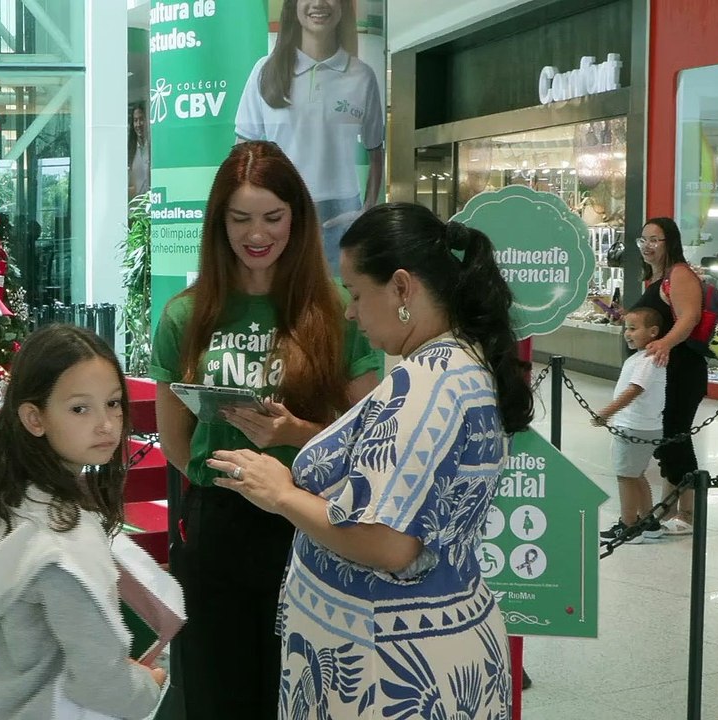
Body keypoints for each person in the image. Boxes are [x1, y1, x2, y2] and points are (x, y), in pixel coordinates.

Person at [206, 202, 533, 717]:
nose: (351, 311)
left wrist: (282, 494)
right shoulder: (457, 363)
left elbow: (389, 543)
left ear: (402, 288)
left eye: (357, 293)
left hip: (392, 670)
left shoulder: (427, 385)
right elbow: (402, 467)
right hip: (419, 645)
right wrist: (298, 432)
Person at [150, 141, 382, 719]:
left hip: (310, 519)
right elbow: (176, 442)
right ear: (219, 222)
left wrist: (296, 434)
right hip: (217, 523)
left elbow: (372, 434)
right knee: (216, 687)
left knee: (301, 687)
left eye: (273, 217)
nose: (258, 234)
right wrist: (224, 481)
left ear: (296, 219)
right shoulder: (186, 315)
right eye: (241, 218)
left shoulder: (334, 309)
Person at [0, 324, 172, 720]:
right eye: (80, 408)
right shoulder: (64, 540)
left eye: (113, 403)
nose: (107, 424)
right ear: (34, 417)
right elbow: (102, 682)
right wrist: (148, 685)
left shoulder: (8, 502)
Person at [235, 0, 385, 272]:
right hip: (277, 209)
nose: (318, 3)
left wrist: (366, 209)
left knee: (338, 305)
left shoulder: (362, 76)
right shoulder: (265, 71)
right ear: (293, 6)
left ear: (342, 7)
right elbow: (242, 154)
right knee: (280, 304)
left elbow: (376, 149)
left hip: (341, 214)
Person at [632, 217, 704, 535]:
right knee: (666, 439)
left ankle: (688, 513)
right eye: (643, 240)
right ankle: (669, 508)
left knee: (676, 437)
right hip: (661, 374)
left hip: (682, 371)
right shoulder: (656, 279)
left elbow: (690, 317)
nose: (647, 246)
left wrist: (664, 342)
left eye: (655, 240)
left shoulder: (679, 274)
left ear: (670, 242)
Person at [594, 307, 667, 543]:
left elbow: (635, 389)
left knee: (625, 476)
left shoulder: (647, 360)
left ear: (653, 332)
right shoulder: (643, 357)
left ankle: (628, 525)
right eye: (627, 328)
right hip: (644, 426)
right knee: (636, 475)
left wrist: (607, 412)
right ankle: (648, 521)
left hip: (634, 426)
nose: (628, 333)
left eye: (634, 328)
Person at [128, 102, 150, 200]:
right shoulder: (129, 149)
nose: (138, 124)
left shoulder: (152, 146)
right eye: (135, 120)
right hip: (136, 208)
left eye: (141, 119)